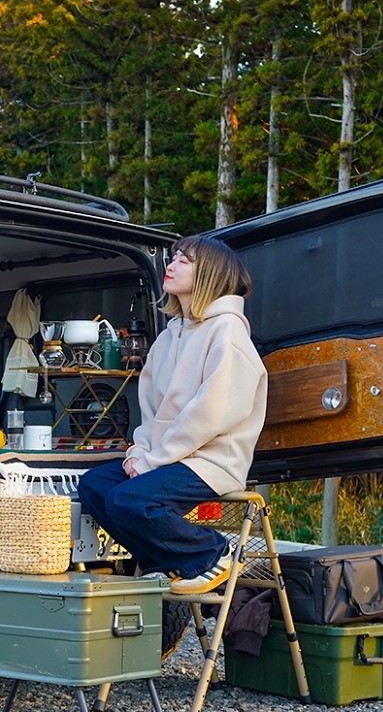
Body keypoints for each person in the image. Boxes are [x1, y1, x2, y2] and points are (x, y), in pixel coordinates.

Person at [77, 235, 267, 595]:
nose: (171, 264)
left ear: (210, 273)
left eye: (184, 260)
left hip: (211, 461)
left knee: (128, 499)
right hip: (169, 458)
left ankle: (213, 554)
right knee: (95, 486)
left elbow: (211, 413)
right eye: (174, 257)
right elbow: (152, 412)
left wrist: (153, 462)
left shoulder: (227, 331)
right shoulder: (168, 336)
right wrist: (139, 453)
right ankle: (165, 564)